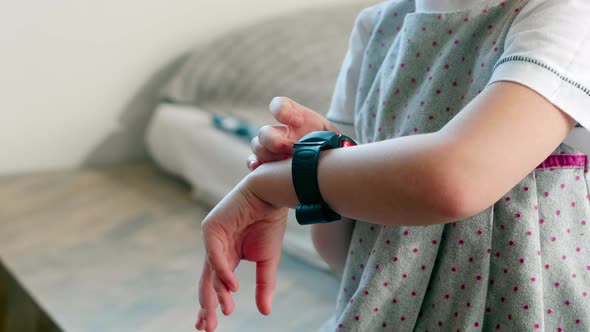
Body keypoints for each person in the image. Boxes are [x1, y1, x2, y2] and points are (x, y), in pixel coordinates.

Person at [196, 0, 590, 330]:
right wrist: (322, 154)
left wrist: (279, 183)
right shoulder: (378, 28)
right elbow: (346, 254)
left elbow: (454, 178)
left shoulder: (565, 14)